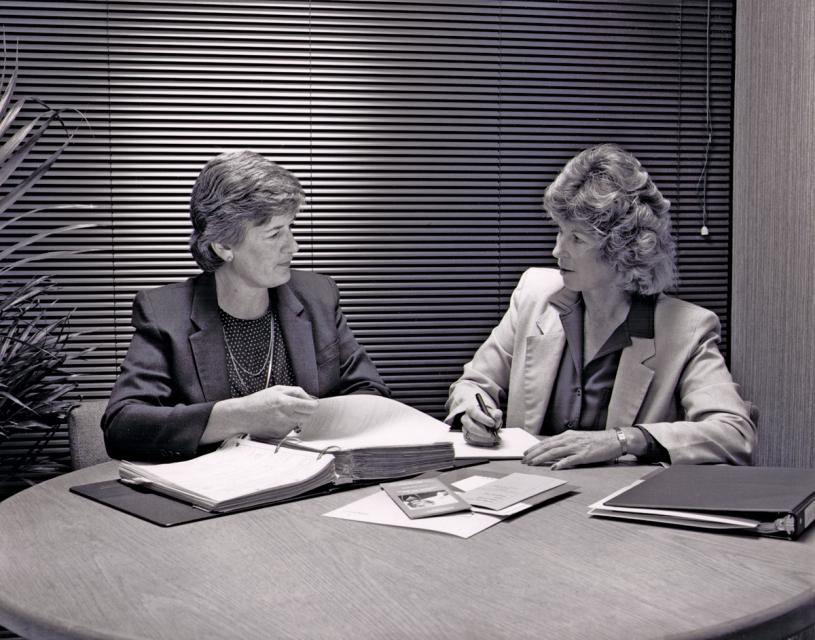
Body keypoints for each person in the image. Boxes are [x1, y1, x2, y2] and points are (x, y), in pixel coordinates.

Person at [445, 144, 755, 469]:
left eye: (576, 238)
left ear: (624, 251)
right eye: (559, 231)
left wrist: (622, 440)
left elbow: (734, 433)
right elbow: (473, 383)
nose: (556, 250)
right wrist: (472, 411)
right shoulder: (534, 294)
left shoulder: (687, 329)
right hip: (527, 493)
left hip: (619, 507)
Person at [102, 150, 389, 462]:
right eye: (274, 233)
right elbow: (122, 427)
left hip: (309, 485)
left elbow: (371, 394)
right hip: (217, 496)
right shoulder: (165, 313)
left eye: (290, 228)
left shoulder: (317, 294)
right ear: (223, 245)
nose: (293, 246)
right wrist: (240, 415)